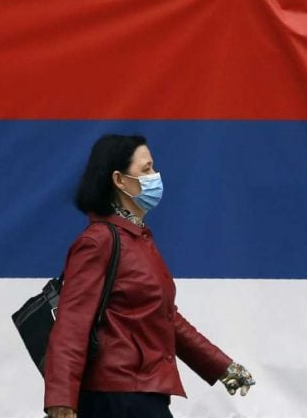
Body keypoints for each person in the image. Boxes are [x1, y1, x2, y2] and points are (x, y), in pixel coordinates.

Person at [44, 134, 254, 418]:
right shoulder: (98, 242)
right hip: (114, 398)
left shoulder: (137, 240)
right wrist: (61, 400)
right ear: (119, 180)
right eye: (146, 169)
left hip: (141, 394)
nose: (155, 176)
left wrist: (222, 367)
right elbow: (71, 325)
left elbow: (166, 318)